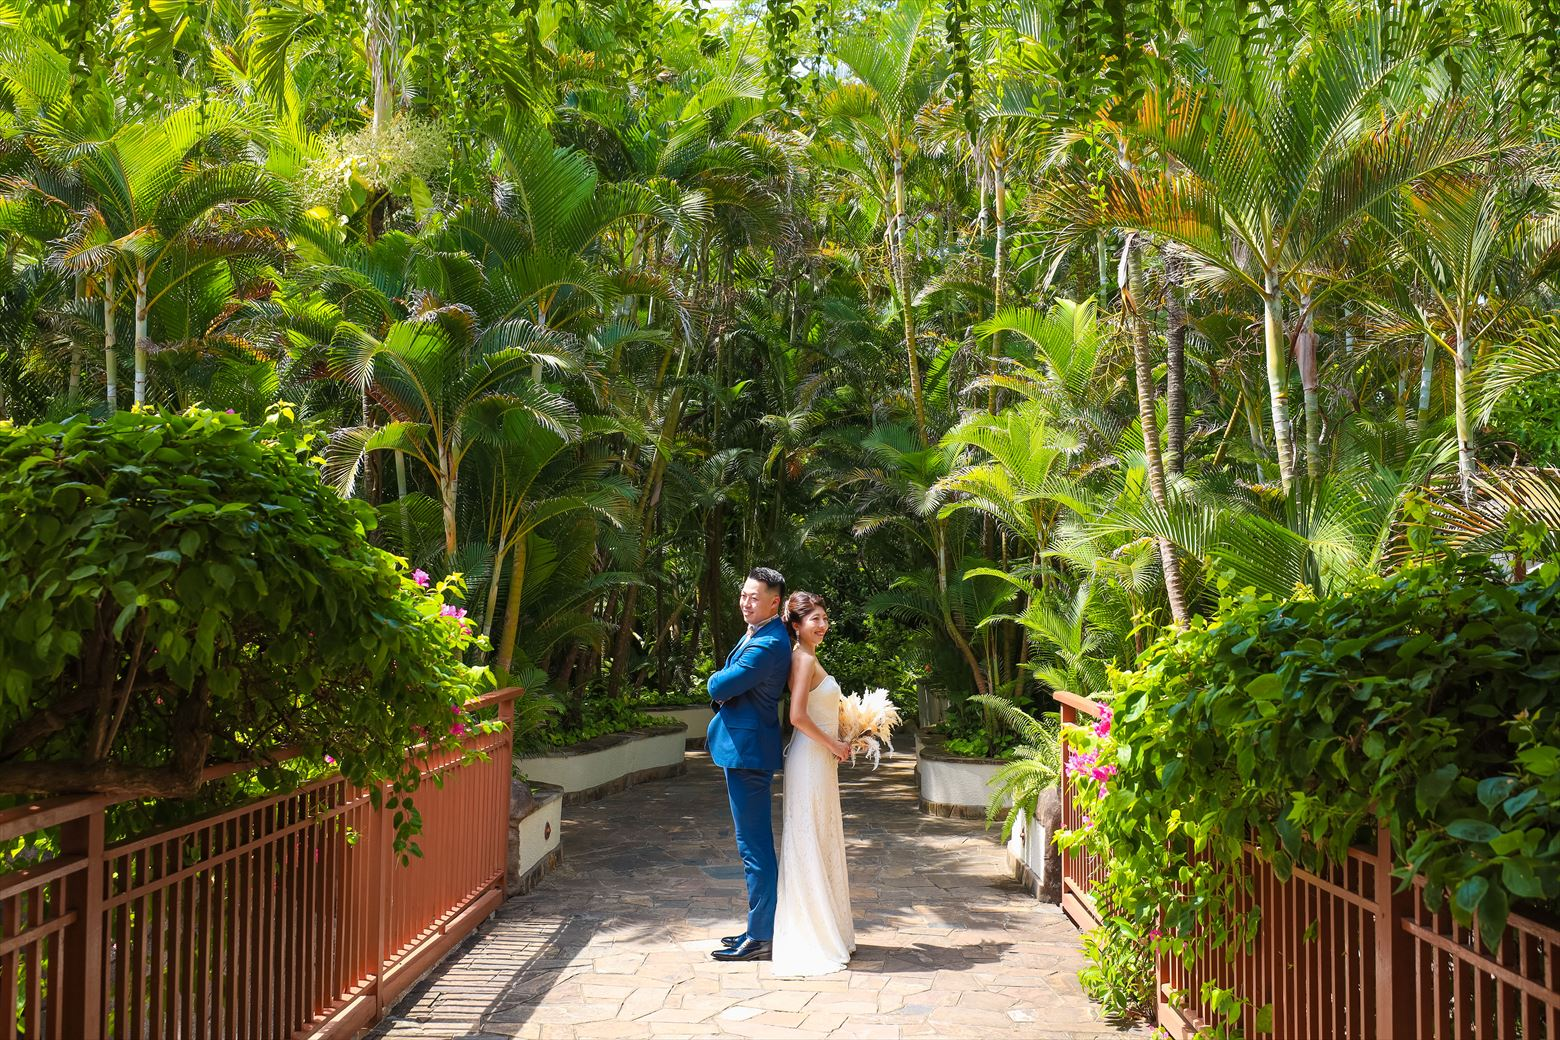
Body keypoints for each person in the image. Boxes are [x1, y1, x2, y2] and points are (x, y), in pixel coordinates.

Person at [706, 567, 791, 962]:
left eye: (754, 597)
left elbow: (719, 685)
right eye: (743, 595)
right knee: (751, 846)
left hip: (749, 753)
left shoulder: (769, 643)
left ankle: (761, 935)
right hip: (742, 749)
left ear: (775, 603)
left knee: (754, 848)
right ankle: (758, 926)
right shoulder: (759, 632)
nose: (745, 602)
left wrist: (718, 682)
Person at [770, 591, 855, 977]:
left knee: (819, 834)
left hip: (818, 758)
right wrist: (835, 744)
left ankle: (827, 927)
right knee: (809, 837)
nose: (822, 625)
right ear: (796, 625)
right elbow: (797, 716)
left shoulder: (807, 656)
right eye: (814, 619)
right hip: (810, 755)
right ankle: (813, 936)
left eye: (824, 618)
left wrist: (842, 737)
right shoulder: (802, 659)